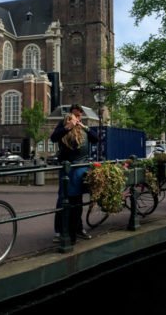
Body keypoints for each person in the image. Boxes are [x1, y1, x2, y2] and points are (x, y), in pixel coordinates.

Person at [50, 104, 98, 243]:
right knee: (63, 200)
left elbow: (95, 138)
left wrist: (83, 126)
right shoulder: (64, 124)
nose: (77, 118)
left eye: (79, 116)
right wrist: (68, 126)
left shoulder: (82, 128)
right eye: (75, 115)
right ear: (70, 115)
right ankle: (60, 231)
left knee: (77, 201)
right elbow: (54, 138)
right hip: (67, 171)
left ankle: (78, 228)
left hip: (80, 170)